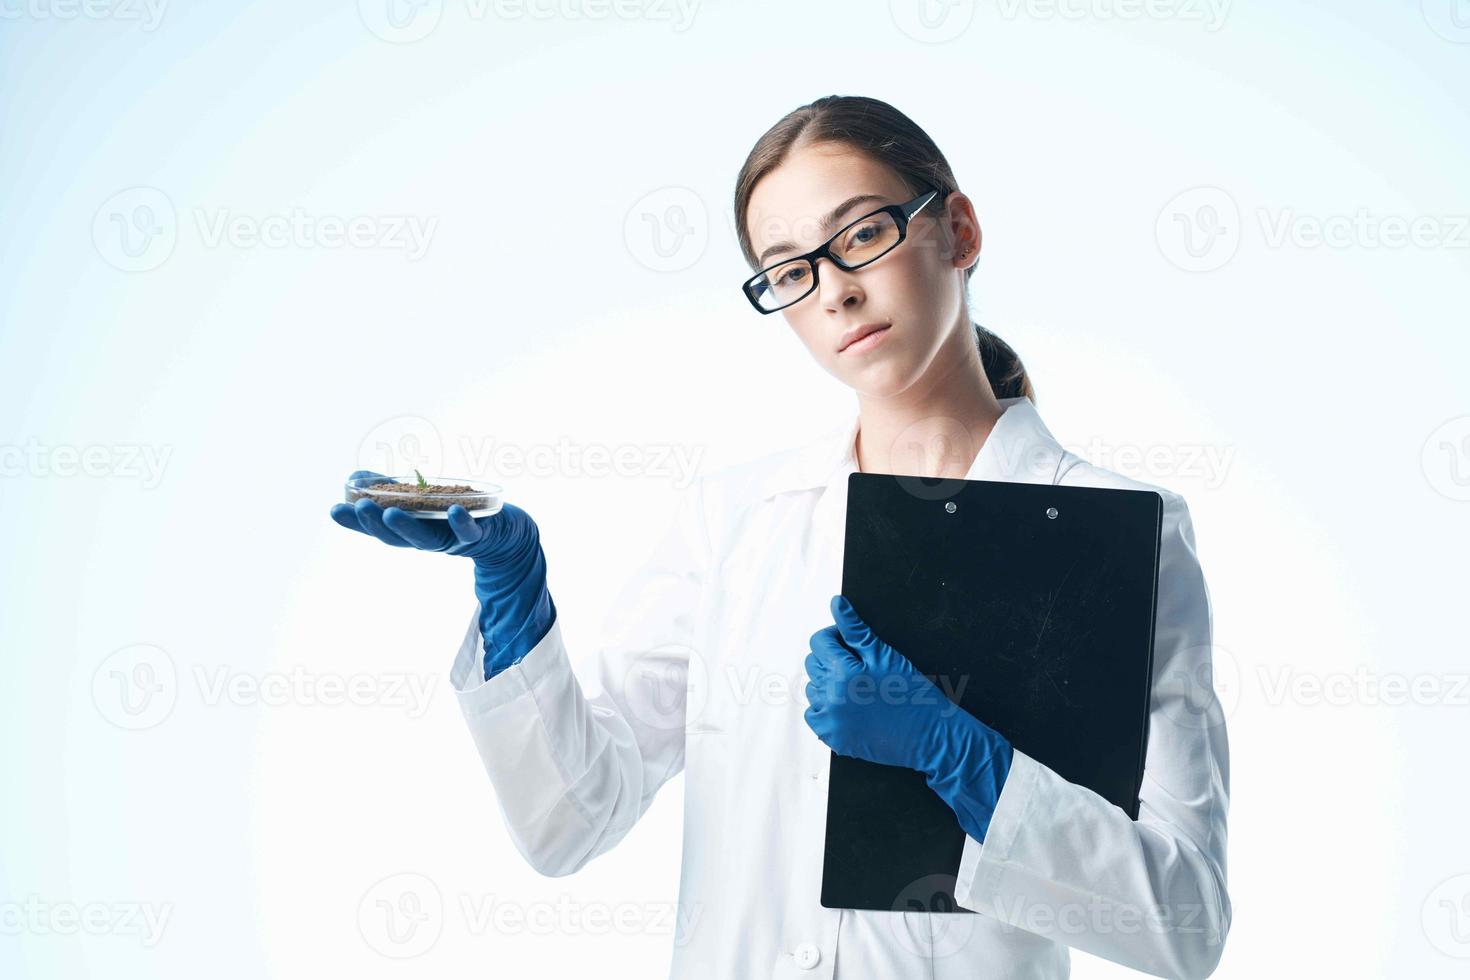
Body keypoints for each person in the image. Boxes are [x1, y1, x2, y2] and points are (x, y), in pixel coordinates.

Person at [330, 94, 1231, 980]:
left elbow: (1185, 922)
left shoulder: (1120, 535)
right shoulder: (734, 521)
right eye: (790, 268)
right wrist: (515, 602)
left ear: (958, 231)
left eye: (863, 234)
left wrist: (963, 757)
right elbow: (573, 818)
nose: (836, 289)